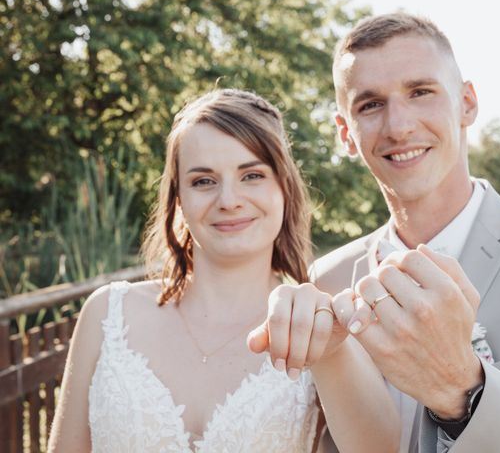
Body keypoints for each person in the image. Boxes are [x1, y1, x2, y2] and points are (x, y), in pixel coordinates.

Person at [308, 13, 500, 452]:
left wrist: (462, 389)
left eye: (420, 92)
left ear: (467, 102)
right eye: (370, 104)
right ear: (346, 133)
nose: (399, 126)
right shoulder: (328, 278)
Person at [48, 89, 399, 452]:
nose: (229, 200)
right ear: (178, 198)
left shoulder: (316, 326)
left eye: (252, 175)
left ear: (284, 188)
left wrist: (331, 351)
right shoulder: (107, 313)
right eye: (203, 181)